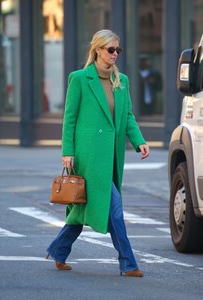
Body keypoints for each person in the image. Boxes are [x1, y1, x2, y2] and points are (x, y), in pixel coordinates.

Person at [46, 29, 149, 277]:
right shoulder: (80, 78)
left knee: (84, 207)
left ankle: (58, 250)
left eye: (118, 50)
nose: (115, 54)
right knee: (113, 208)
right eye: (110, 49)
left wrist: (139, 141)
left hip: (111, 156)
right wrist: (67, 151)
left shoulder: (121, 81)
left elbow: (127, 116)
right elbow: (69, 119)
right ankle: (129, 263)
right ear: (98, 50)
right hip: (88, 157)